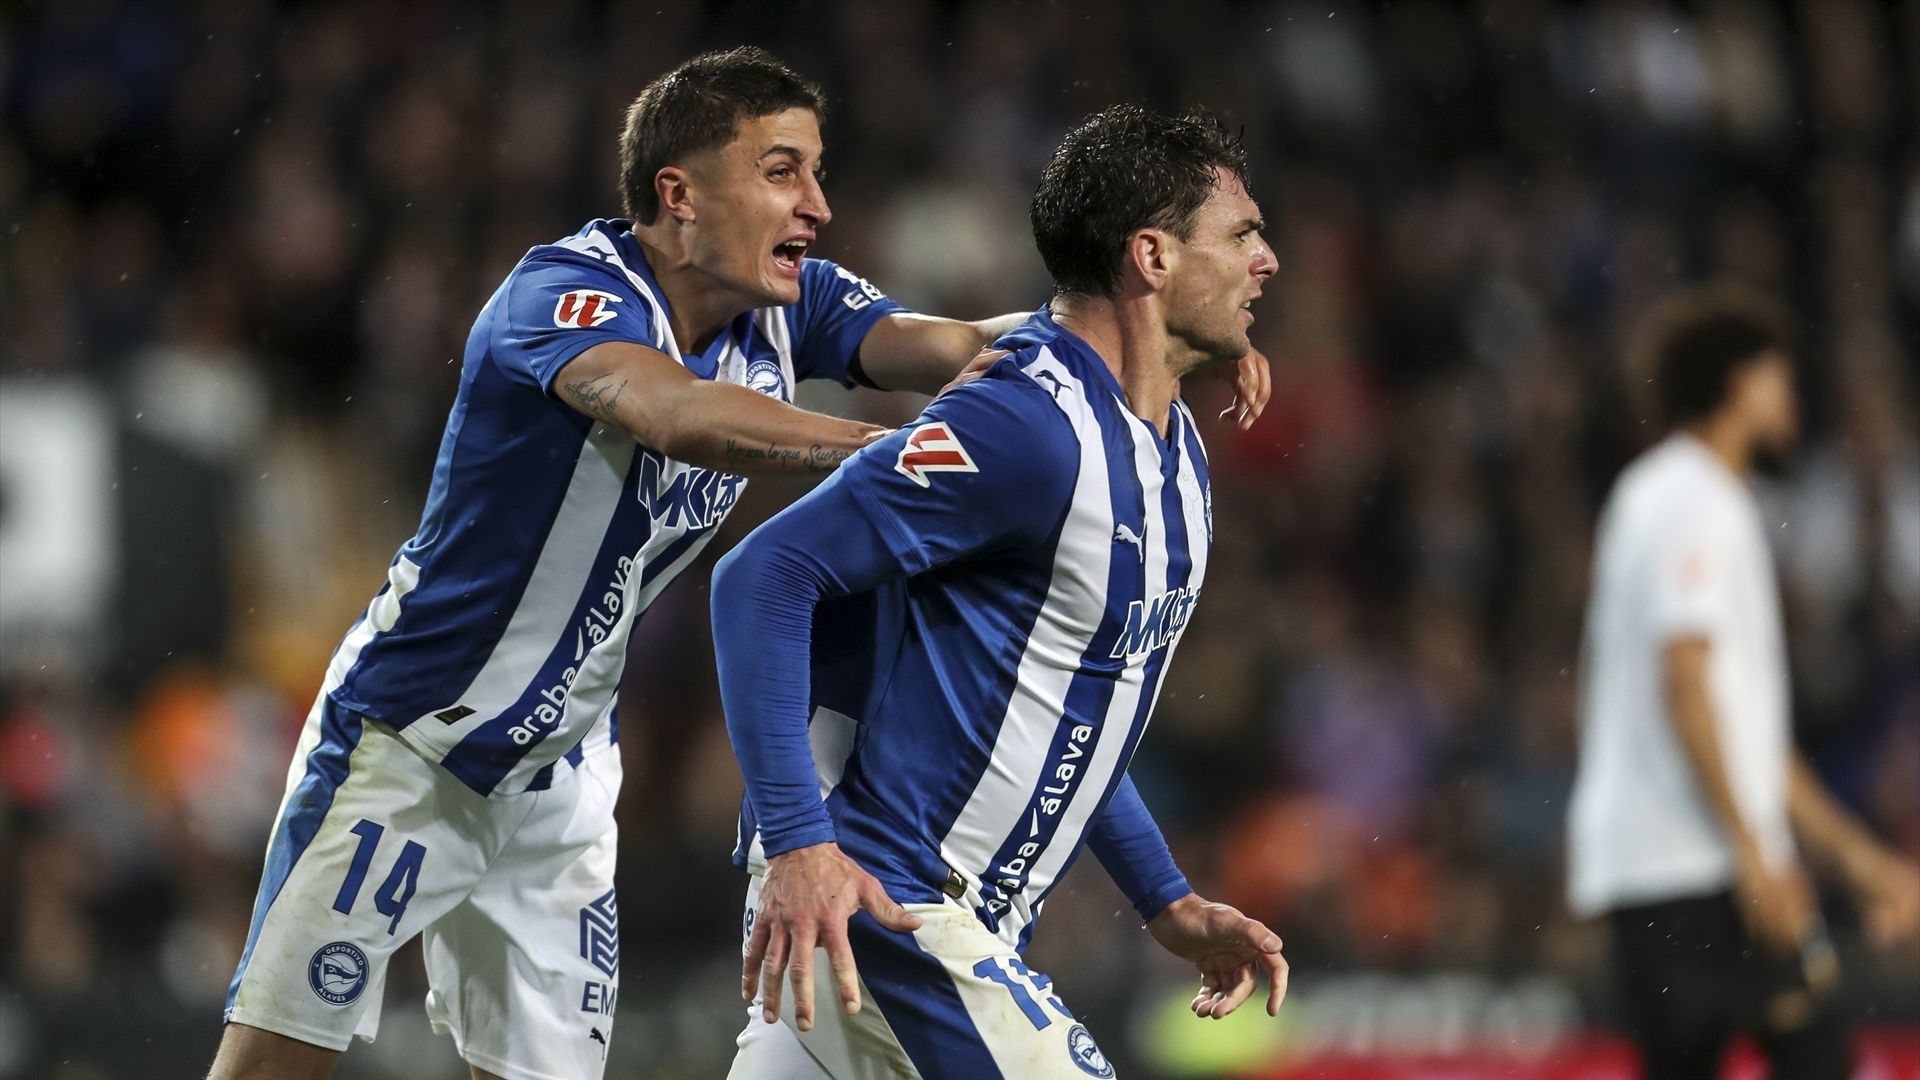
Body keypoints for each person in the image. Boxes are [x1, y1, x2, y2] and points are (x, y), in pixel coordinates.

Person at [206, 47, 1277, 1080]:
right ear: (678, 193)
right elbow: (669, 412)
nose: (817, 204)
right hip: (416, 740)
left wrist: (1173, 329)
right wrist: (891, 456)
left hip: (563, 773)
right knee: (275, 1063)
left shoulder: (785, 305)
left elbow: (967, 343)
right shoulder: (563, 295)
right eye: (782, 172)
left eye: (817, 171)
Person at [712, 104, 1289, 1080]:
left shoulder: (1176, 450)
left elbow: (1068, 707)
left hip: (948, 922)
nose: (1266, 260)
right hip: (887, 899)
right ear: (1151, 257)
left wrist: (1164, 898)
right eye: (1240, 235)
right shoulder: (1025, 422)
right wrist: (796, 844)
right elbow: (762, 576)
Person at [1566, 284, 1920, 1079]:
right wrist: (1753, 852)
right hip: (1696, 875)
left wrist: (1858, 862)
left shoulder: (1672, 496)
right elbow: (1684, 684)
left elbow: (1746, 736)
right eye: (1780, 375)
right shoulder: (1695, 499)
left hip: (1685, 872)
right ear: (1740, 382)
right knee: (1820, 1059)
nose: (1792, 395)